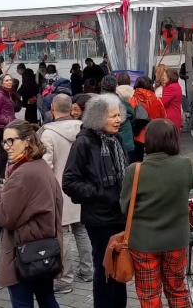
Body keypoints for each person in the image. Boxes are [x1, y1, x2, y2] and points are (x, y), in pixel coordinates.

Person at [120, 119, 193, 308]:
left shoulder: (135, 170)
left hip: (143, 243)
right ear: (174, 140)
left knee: (149, 294)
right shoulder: (185, 166)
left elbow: (124, 207)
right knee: (177, 289)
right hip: (176, 241)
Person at [0, 120, 64, 308]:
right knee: (47, 298)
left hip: (24, 253)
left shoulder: (23, 173)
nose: (7, 147)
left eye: (11, 141)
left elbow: (4, 217)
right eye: (4, 142)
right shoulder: (39, 165)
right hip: (44, 247)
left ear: (28, 141)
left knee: (23, 302)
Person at [62, 95, 128, 308]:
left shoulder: (116, 139)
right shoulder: (84, 142)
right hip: (98, 219)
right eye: (113, 116)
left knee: (120, 267)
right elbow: (70, 182)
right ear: (98, 117)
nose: (118, 120)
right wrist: (100, 192)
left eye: (119, 115)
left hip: (120, 215)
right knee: (104, 269)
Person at [39, 94, 93, 294]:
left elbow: (46, 166)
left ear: (52, 108)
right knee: (82, 231)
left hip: (60, 191)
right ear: (71, 108)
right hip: (83, 189)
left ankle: (64, 279)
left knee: (63, 236)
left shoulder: (47, 133)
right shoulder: (84, 129)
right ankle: (88, 271)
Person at [129, 76, 166, 164]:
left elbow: (130, 117)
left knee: (136, 162)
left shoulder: (133, 99)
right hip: (154, 134)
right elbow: (164, 116)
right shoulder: (156, 100)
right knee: (155, 161)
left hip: (138, 135)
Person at [0, 75, 17, 180]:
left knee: (6, 151)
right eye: (6, 80)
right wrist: (8, 121)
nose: (9, 82)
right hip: (3, 127)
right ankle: (0, 176)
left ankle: (2, 174)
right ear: (1, 83)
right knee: (3, 151)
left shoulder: (7, 94)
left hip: (8, 126)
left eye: (10, 80)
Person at [100, 76, 135, 157]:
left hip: (104, 144)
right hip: (125, 141)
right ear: (115, 87)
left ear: (101, 86)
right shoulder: (121, 101)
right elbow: (132, 113)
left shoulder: (98, 102)